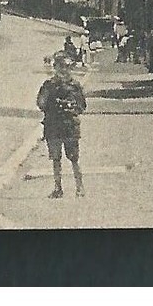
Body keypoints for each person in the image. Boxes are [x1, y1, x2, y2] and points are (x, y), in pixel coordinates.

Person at [36, 54, 87, 198]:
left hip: (70, 126)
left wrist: (72, 107)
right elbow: (41, 103)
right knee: (56, 159)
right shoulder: (48, 85)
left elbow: (82, 106)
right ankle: (58, 188)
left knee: (74, 158)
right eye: (60, 67)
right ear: (55, 68)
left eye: (67, 67)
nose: (64, 70)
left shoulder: (75, 87)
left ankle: (80, 187)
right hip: (53, 126)